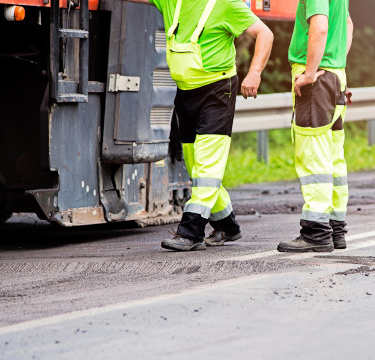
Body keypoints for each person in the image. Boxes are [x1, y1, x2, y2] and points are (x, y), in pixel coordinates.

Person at [126, 0, 274, 251]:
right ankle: (227, 226)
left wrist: (255, 72)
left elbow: (265, 33)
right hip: (186, 93)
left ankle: (191, 232)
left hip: (217, 91)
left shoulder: (226, 4)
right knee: (197, 168)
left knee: (207, 165)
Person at [277, 0, 353, 252]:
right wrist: (337, 67)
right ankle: (335, 228)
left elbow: (320, 28)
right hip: (334, 74)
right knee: (333, 156)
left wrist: (310, 74)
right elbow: (348, 25)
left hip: (318, 78)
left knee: (313, 155)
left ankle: (316, 232)